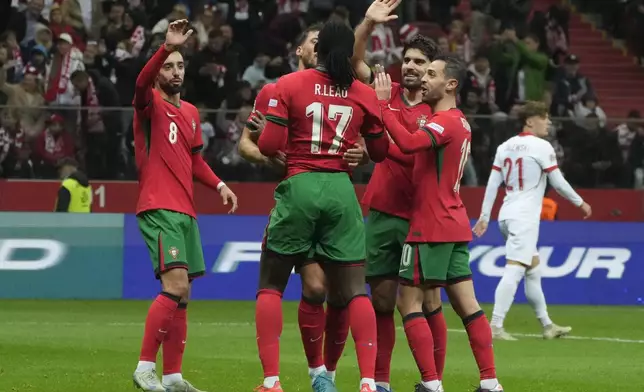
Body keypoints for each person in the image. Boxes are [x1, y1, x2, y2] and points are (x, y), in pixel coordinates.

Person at [254, 20, 390, 392]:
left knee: (271, 285)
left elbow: (268, 145)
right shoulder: (361, 92)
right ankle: (366, 382)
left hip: (299, 184)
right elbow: (379, 151)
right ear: (348, 53)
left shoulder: (287, 85)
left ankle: (271, 381)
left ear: (317, 49)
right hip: (341, 192)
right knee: (354, 290)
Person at [374, 55, 503, 392]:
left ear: (451, 84)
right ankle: (490, 382)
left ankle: (431, 384)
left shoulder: (442, 122)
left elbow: (409, 142)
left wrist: (384, 107)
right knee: (467, 304)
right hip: (454, 221)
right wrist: (376, 148)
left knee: (409, 303)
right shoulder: (456, 122)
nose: (424, 79)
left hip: (429, 225)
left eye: (432, 73)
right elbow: (409, 155)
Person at [131, 20, 238, 392]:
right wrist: (164, 47)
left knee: (185, 294)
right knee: (174, 285)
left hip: (186, 211)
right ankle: (145, 368)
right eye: (168, 66)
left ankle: (173, 375)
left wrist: (220, 184)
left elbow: (195, 162)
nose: (174, 72)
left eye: (179, 65)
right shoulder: (149, 104)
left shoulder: (191, 113)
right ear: (159, 69)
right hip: (158, 205)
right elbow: (140, 84)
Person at [351, 1, 445, 390]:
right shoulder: (382, 89)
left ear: (433, 72)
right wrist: (368, 24)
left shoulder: (439, 109)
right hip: (384, 212)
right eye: (407, 59)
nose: (409, 66)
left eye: (420, 62)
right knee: (382, 302)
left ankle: (433, 381)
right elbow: (354, 59)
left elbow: (409, 151)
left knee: (429, 304)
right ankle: (382, 382)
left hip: (421, 217)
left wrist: (379, 146)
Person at [472, 101, 592, 341]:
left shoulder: (504, 146)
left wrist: (485, 216)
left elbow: (493, 185)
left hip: (507, 215)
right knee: (515, 268)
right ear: (530, 121)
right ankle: (495, 326)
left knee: (532, 270)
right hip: (524, 217)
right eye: (544, 118)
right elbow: (557, 181)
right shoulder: (541, 146)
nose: (548, 122)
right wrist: (580, 202)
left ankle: (548, 326)